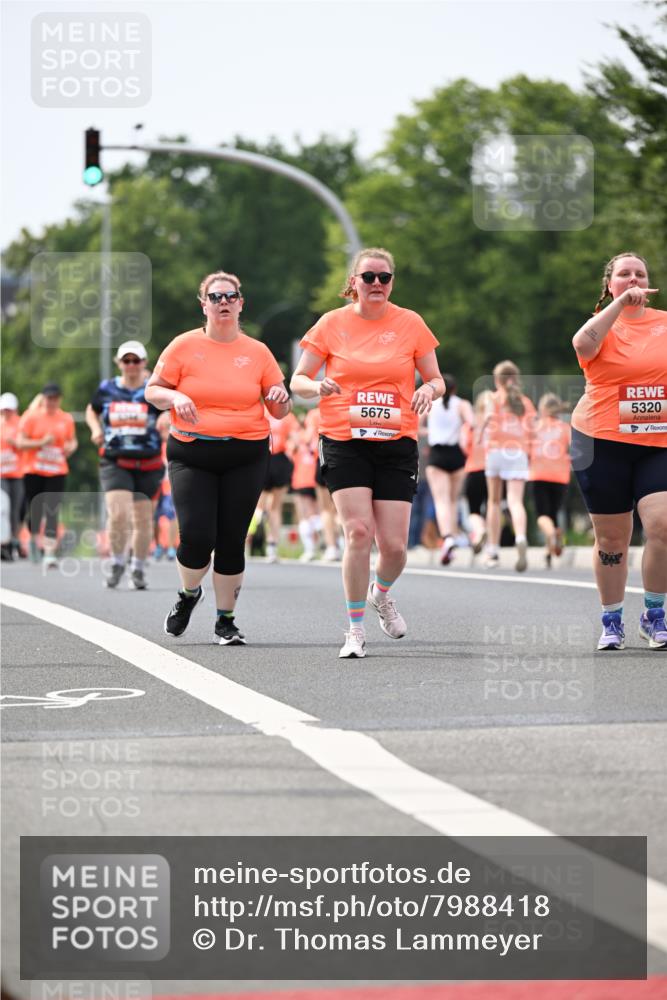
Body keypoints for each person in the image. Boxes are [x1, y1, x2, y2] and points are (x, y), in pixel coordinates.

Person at [291, 246, 444, 658]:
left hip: (397, 441)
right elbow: (298, 379)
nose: (377, 284)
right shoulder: (331, 323)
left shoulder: (410, 323)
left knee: (394, 547)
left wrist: (428, 390)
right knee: (358, 531)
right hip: (344, 438)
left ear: (392, 283)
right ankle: (355, 629)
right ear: (354, 282)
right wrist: (316, 387)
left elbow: (436, 379)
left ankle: (381, 593)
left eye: (384, 277)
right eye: (369, 277)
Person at [145, 269, 291, 645]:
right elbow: (152, 391)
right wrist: (175, 396)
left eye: (230, 297)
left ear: (241, 304)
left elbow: (280, 410)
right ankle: (188, 594)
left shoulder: (258, 352)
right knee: (196, 537)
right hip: (192, 452)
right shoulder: (183, 346)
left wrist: (280, 398)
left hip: (246, 453)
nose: (223, 302)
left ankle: (226, 621)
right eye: (215, 297)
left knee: (231, 539)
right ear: (203, 305)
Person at [571, 251, 666, 651]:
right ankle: (611, 619)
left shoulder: (663, 323)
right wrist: (618, 306)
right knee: (612, 540)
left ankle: (654, 615)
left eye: (639, 273)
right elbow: (581, 344)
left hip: (657, 441)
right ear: (609, 285)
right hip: (600, 440)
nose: (633, 279)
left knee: (662, 525)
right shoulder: (601, 325)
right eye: (624, 274)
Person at [86, 340, 164, 590]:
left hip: (149, 462)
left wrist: (166, 421)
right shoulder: (107, 388)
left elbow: (169, 411)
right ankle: (118, 561)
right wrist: (96, 429)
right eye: (126, 360)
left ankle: (138, 567)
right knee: (119, 513)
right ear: (118, 363)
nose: (131, 365)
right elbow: (92, 410)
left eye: (136, 360)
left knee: (143, 519)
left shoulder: (154, 389)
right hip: (115, 460)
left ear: (144, 362)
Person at [481, 361, 535, 571]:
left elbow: (487, 420)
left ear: (497, 380)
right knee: (515, 501)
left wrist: (480, 437)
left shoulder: (492, 398)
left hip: (495, 451)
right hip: (518, 451)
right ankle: (520, 537)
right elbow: (532, 431)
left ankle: (493, 551)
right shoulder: (524, 402)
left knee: (494, 502)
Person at [16, 384, 77, 568]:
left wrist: (70, 447)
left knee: (52, 510)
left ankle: (49, 552)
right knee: (35, 509)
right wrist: (41, 442)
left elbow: (72, 441)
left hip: (56, 470)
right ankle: (34, 541)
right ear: (43, 398)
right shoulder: (31, 416)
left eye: (55, 398)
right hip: (33, 470)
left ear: (60, 399)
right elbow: (20, 442)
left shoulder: (66, 418)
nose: (52, 402)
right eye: (49, 398)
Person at [423, 374, 473, 565]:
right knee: (453, 500)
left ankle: (448, 537)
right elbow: (472, 424)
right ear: (455, 389)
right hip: (457, 454)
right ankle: (452, 537)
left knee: (441, 500)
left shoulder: (430, 404)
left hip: (437, 454)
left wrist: (432, 431)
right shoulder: (462, 404)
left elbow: (416, 426)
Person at [529, 393, 571, 568]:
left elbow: (525, 449)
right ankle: (548, 551)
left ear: (543, 409)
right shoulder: (565, 428)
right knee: (553, 514)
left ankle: (553, 534)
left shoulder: (534, 427)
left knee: (542, 516)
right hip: (560, 476)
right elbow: (575, 449)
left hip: (539, 474)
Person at [258, 404, 299, 562]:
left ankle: (262, 543)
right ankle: (271, 545)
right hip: (275, 459)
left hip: (268, 458)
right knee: (272, 507)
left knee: (262, 506)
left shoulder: (262, 411)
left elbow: (295, 440)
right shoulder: (285, 414)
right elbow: (295, 439)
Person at [461, 389, 493, 555]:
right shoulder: (497, 423)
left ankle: (479, 531)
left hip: (474, 469)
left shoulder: (471, 424)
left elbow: (464, 445)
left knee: (473, 510)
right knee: (492, 506)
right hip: (493, 470)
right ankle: (491, 545)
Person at [290, 413, 321, 561]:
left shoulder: (303, 438)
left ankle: (311, 548)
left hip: (304, 480)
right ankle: (315, 545)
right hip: (308, 480)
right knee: (313, 514)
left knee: (306, 516)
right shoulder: (313, 439)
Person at [0, 392, 25, 561]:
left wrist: (16, 443)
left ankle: (13, 541)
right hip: (1, 474)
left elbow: (27, 445)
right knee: (3, 507)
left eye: (9, 409)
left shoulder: (21, 424)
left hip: (17, 473)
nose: (7, 412)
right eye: (4, 409)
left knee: (16, 510)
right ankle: (3, 542)